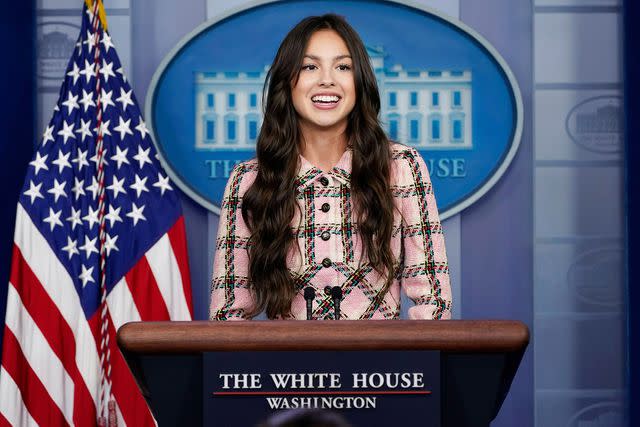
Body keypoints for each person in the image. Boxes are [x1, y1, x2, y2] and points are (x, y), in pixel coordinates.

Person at [209, 14, 451, 321]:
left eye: (343, 67)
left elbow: (434, 302)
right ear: (287, 82)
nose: (327, 79)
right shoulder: (248, 180)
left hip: (381, 365)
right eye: (310, 66)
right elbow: (228, 312)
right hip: (285, 366)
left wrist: (410, 364)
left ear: (360, 81)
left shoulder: (401, 166)